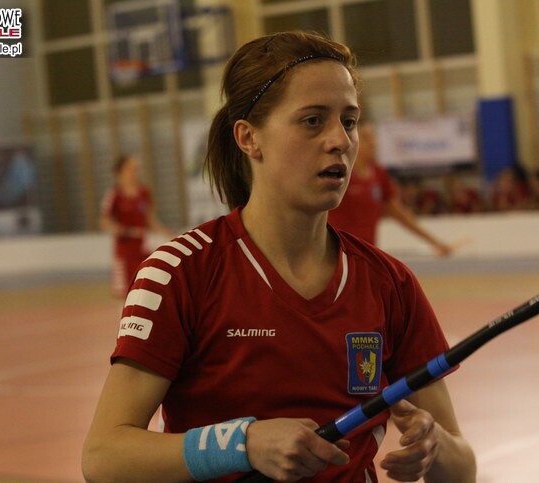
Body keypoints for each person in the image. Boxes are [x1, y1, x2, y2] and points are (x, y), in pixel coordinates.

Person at [83, 31, 476, 483]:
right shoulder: (180, 272)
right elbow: (104, 456)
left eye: (349, 121)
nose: (340, 140)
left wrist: (435, 445)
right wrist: (243, 444)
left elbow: (462, 470)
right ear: (249, 138)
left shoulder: (391, 284)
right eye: (312, 120)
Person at [328, 123, 454, 257]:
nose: (373, 142)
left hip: (365, 254)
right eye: (366, 137)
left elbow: (399, 213)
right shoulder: (339, 172)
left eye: (373, 137)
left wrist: (434, 242)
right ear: (351, 140)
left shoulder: (379, 174)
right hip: (336, 252)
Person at [99, 153, 173, 299]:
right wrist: (126, 231)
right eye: (131, 168)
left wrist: (166, 233)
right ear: (121, 171)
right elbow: (104, 222)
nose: (135, 172)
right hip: (125, 254)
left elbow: (150, 219)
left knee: (147, 289)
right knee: (125, 294)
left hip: (143, 250)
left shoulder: (144, 192)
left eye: (136, 168)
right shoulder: (114, 195)